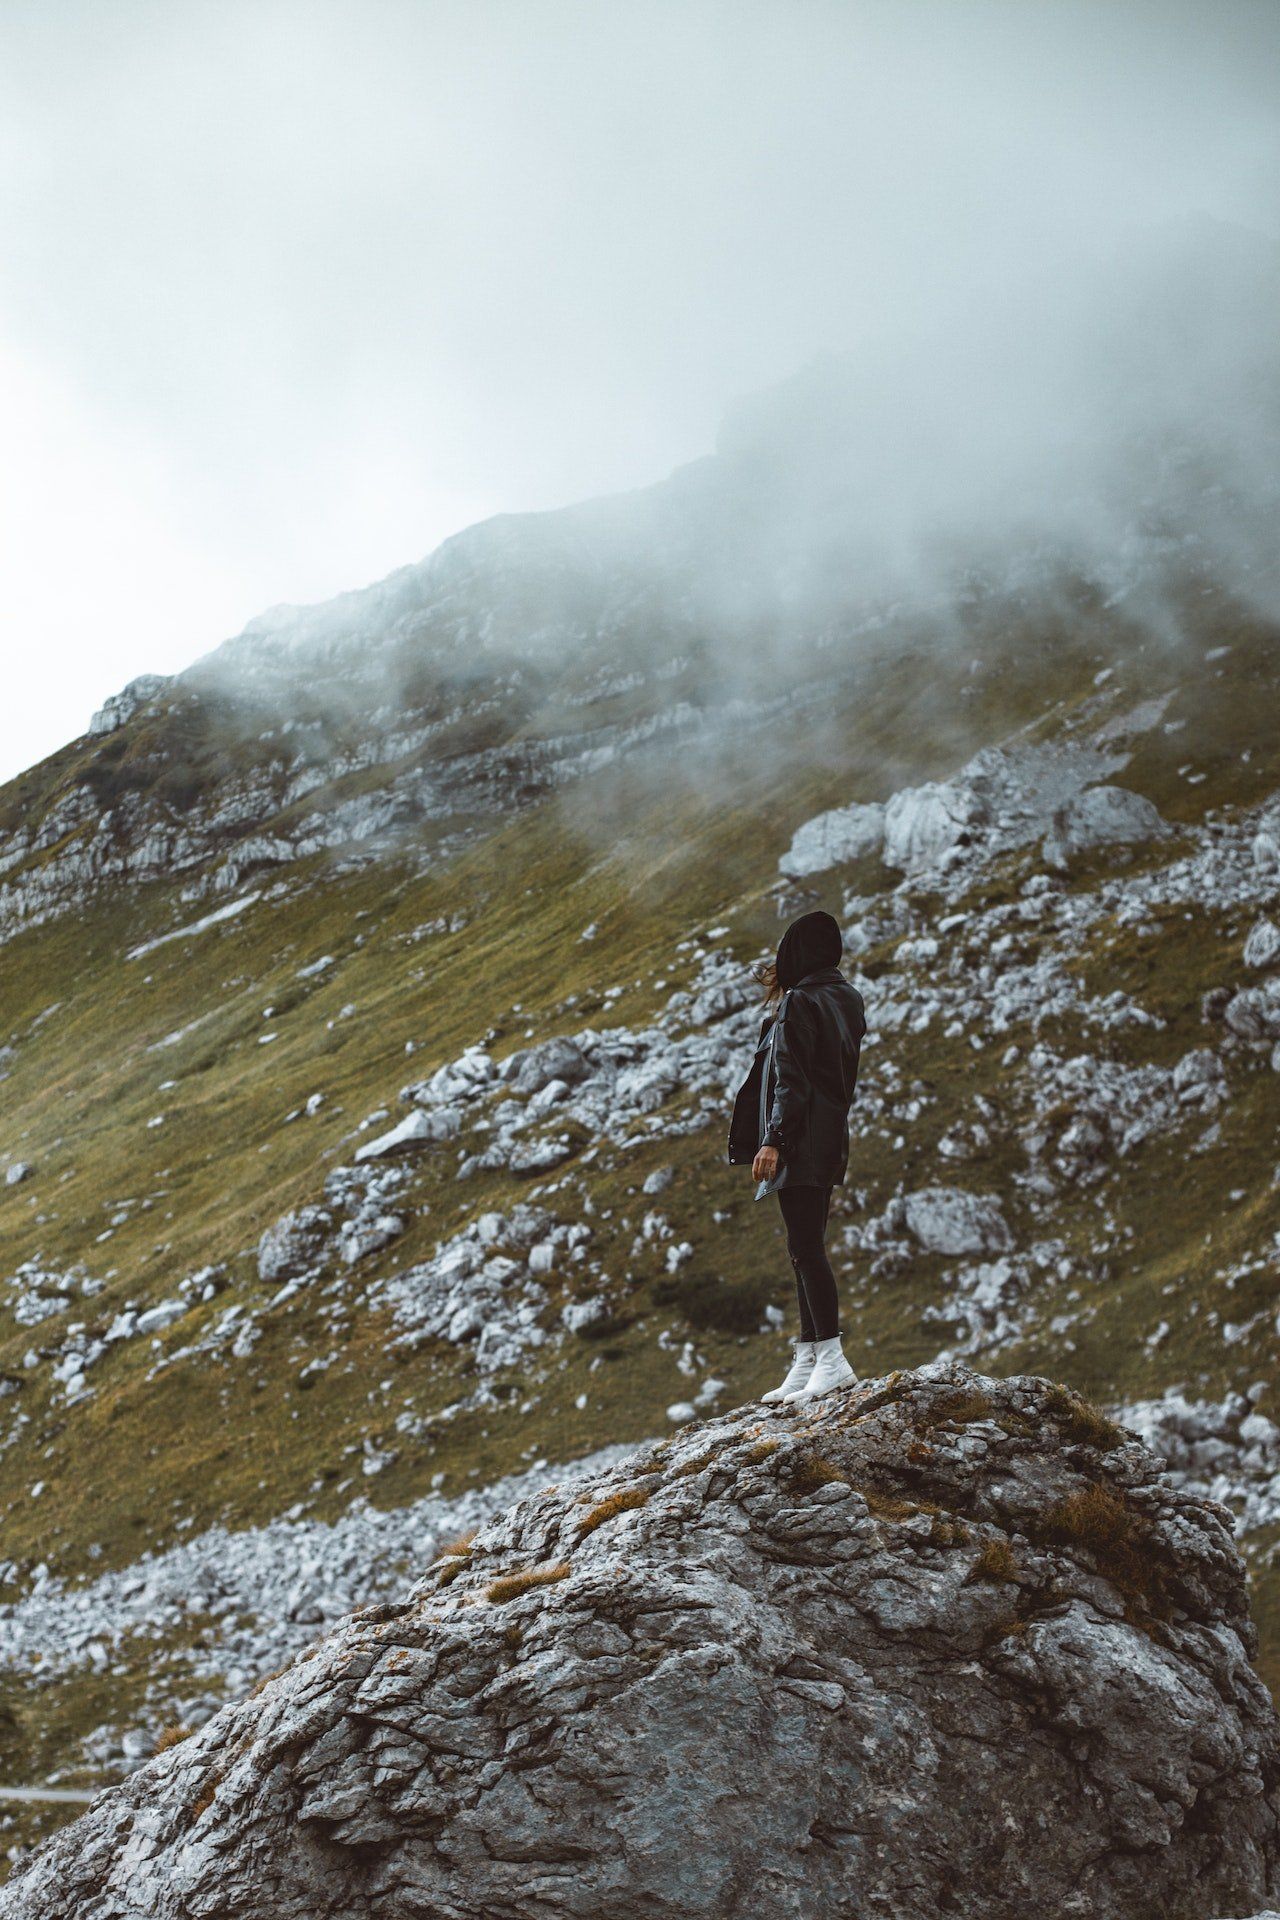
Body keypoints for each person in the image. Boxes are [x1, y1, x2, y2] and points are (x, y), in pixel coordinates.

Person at [727, 910, 866, 1404]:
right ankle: (808, 1357)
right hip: (829, 1139)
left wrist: (773, 1140)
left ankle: (830, 1358)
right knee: (804, 1245)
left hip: (800, 1140)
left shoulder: (800, 1003)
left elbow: (792, 1079)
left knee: (806, 1248)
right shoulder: (846, 999)